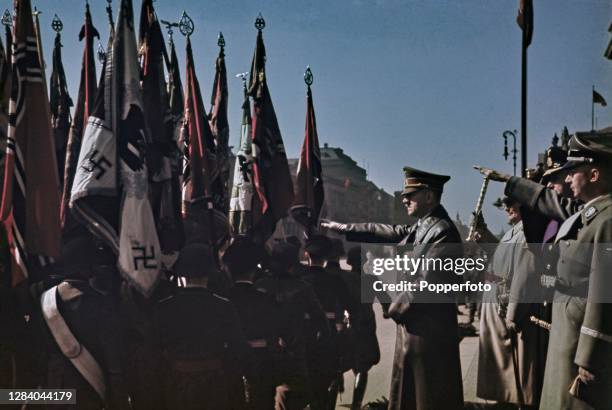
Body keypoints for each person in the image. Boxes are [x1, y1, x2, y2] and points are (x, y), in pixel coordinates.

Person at [477, 132, 612, 409]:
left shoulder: (607, 221)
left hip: (577, 339)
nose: (568, 178)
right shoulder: (589, 214)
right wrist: (509, 181)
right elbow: (549, 203)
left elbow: (603, 295)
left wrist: (589, 356)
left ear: (595, 174)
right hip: (565, 329)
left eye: (574, 172)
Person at [322, 166, 464, 410]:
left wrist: (394, 309)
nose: (404, 198)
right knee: (410, 397)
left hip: (429, 336)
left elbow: (425, 285)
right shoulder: (424, 227)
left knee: (428, 398)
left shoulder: (442, 232)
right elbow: (384, 231)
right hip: (417, 331)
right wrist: (342, 228)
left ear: (429, 196)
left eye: (411, 194)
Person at [155, 243, 249, 410]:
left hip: (178, 383)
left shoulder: (165, 307)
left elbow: (155, 349)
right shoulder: (223, 306)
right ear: (209, 273)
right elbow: (239, 348)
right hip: (214, 383)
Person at [474, 197, 542, 409]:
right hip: (498, 308)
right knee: (502, 372)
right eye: (505, 203)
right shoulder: (516, 231)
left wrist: (513, 315)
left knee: (517, 375)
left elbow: (523, 275)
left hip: (509, 311)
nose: (506, 207)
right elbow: (501, 253)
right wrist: (483, 233)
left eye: (512, 202)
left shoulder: (528, 233)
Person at [256, 239, 329, 409]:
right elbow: (320, 321)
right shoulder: (302, 288)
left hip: (264, 352)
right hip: (294, 351)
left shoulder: (260, 287)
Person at [223, 237, 291, 410]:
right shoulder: (267, 300)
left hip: (229, 362)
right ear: (254, 271)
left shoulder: (222, 300)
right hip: (262, 362)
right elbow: (280, 332)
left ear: (229, 270)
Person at [301, 234, 356, 410]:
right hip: (330, 333)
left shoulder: (301, 280)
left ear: (306, 255)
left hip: (305, 333)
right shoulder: (335, 281)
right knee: (326, 381)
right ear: (326, 257)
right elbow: (351, 307)